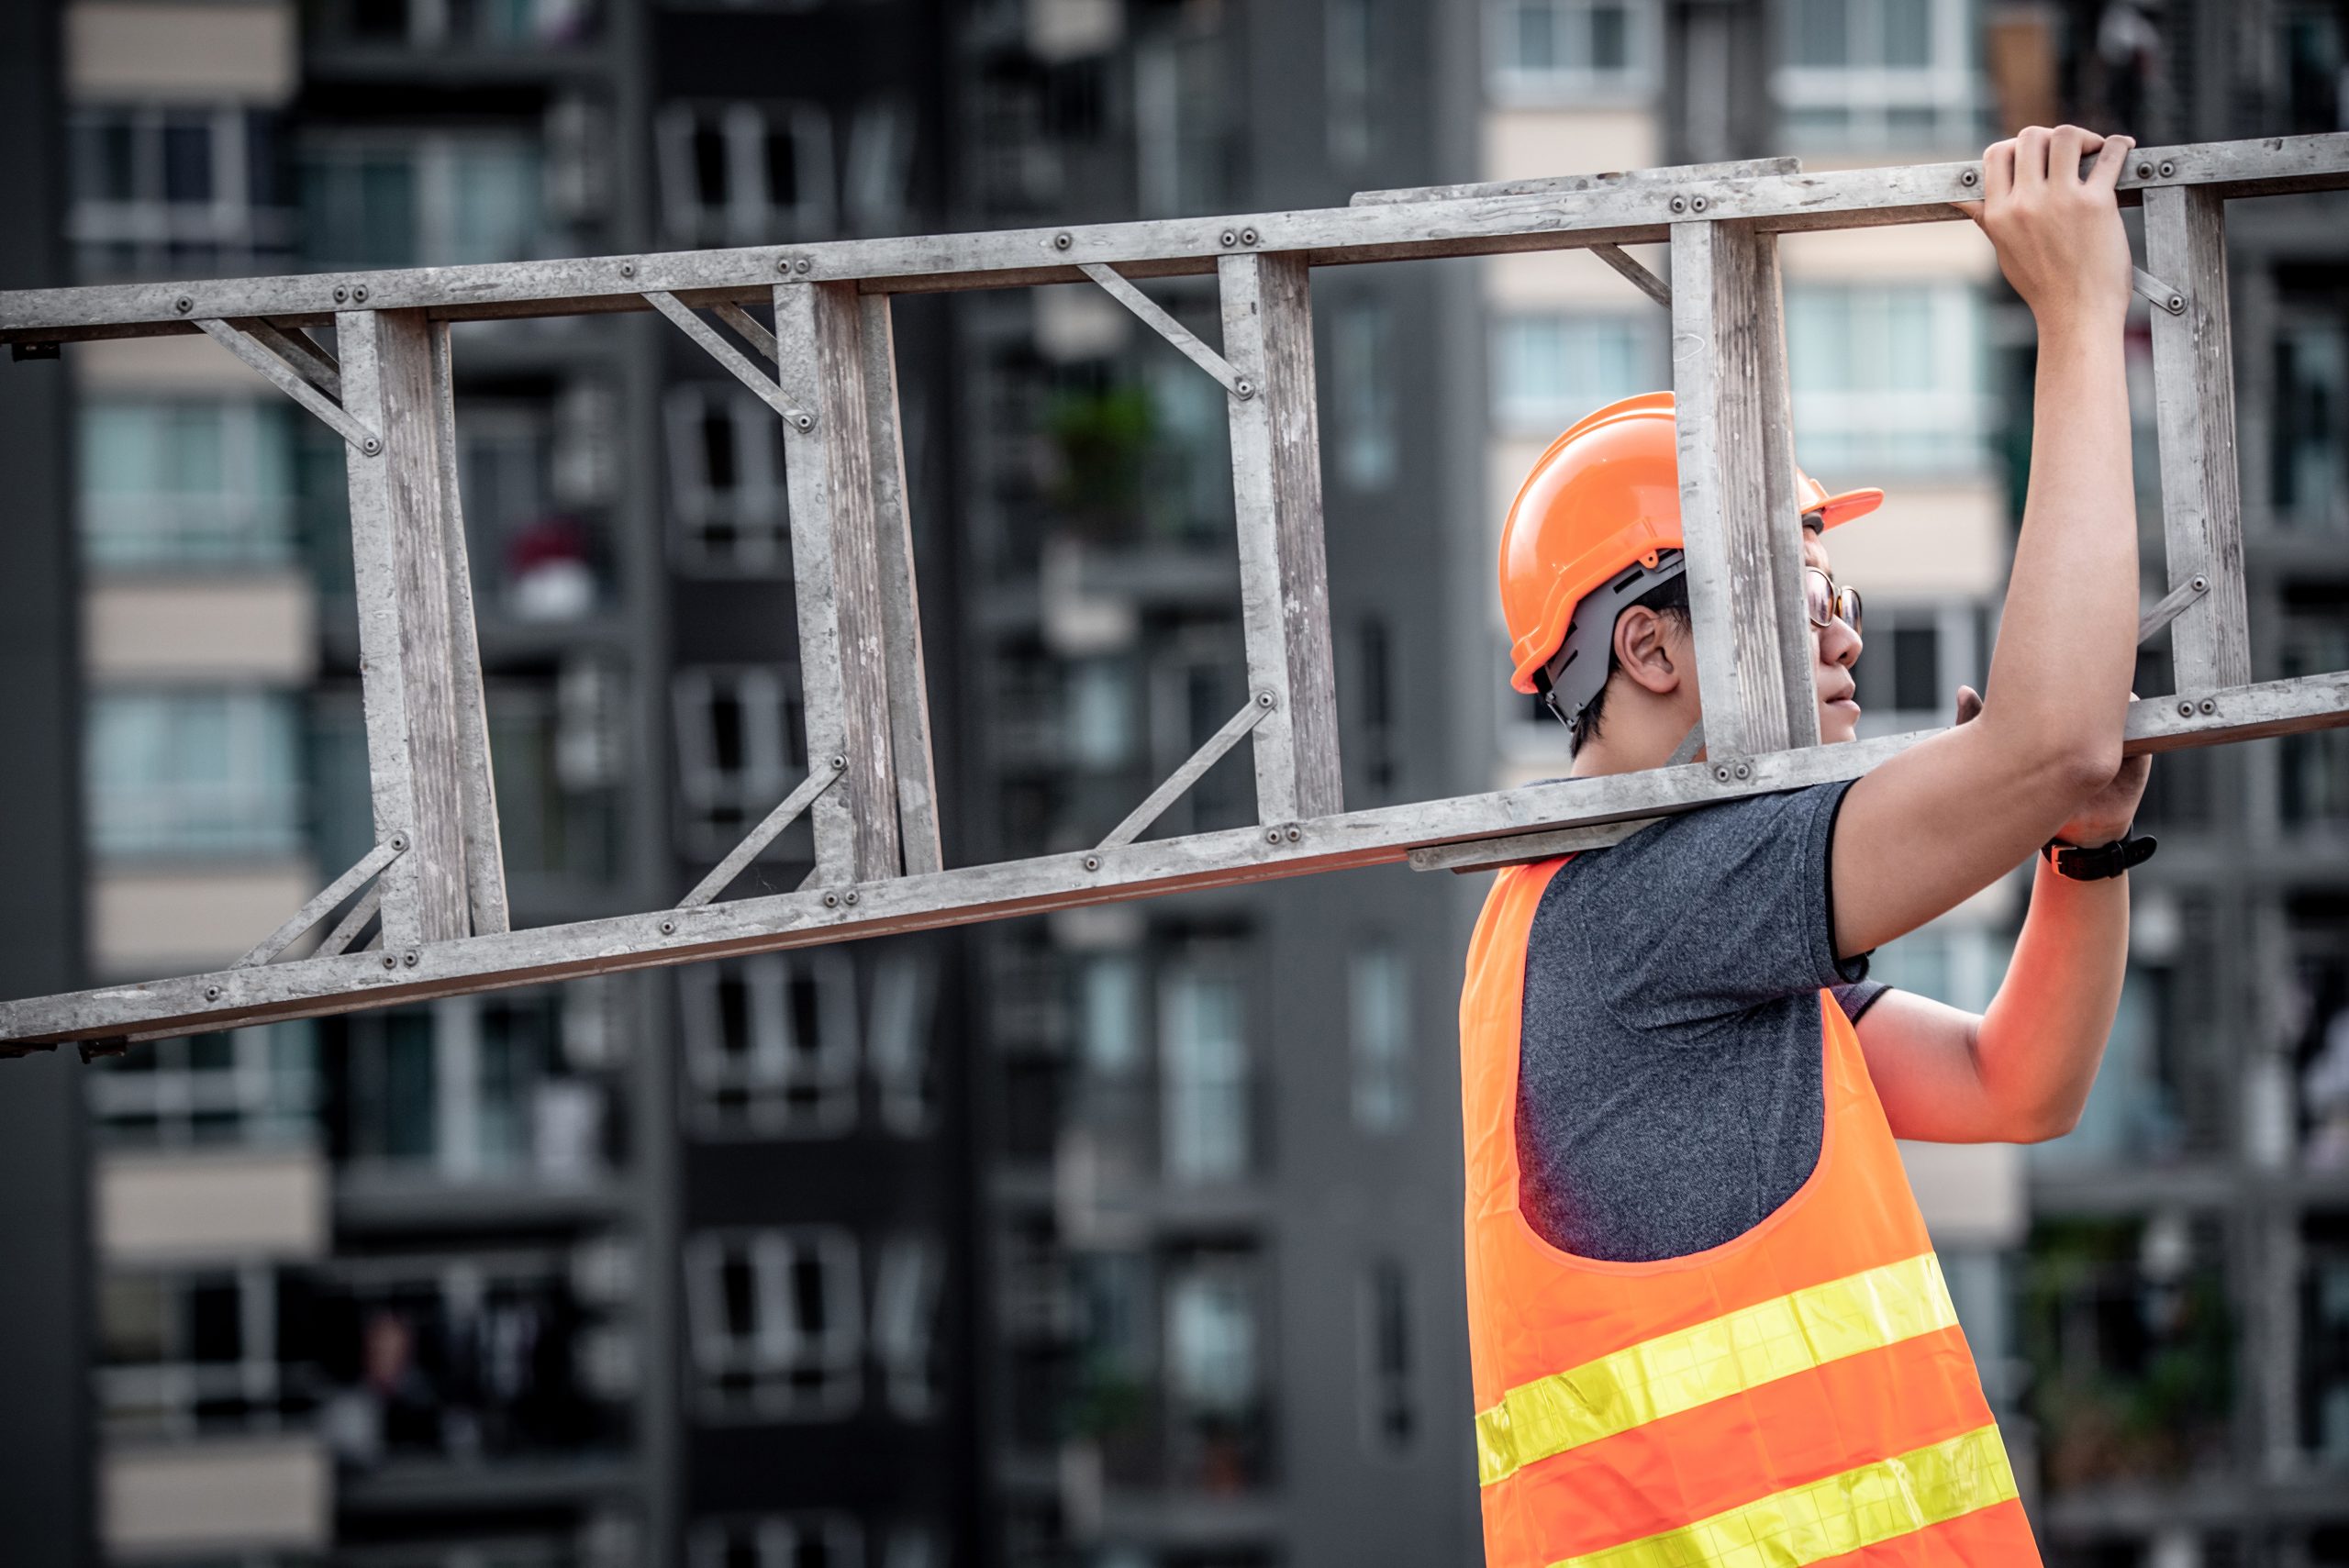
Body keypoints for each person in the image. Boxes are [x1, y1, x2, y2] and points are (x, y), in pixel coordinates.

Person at [1462, 125, 2149, 1565]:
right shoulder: (1640, 904)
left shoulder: (1627, 922)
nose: (1845, 622)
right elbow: (2055, 734)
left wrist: (2077, 858)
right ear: (1649, 644)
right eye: (1801, 578)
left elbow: (2015, 1083)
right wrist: (2084, 318)